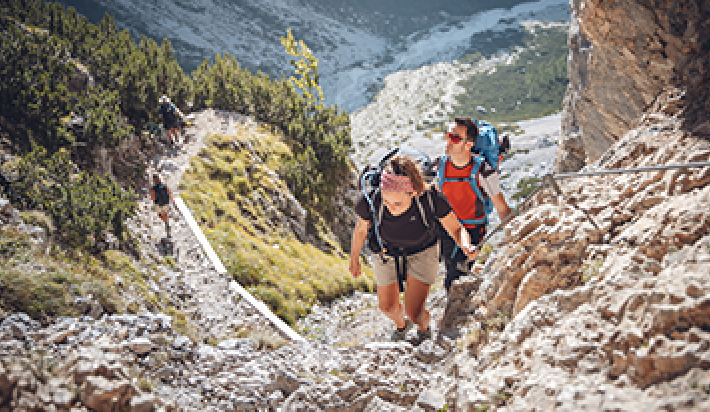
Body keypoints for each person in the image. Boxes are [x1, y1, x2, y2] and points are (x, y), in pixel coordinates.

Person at [349, 154, 478, 342]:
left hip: (423, 250)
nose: (391, 208)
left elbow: (456, 229)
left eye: (398, 203)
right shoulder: (370, 201)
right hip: (386, 251)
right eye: (387, 202)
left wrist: (465, 245)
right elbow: (361, 229)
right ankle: (402, 325)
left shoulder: (432, 199)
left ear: (414, 193)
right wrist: (354, 258)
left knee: (415, 312)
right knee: (387, 307)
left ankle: (423, 329)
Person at [437, 117, 513, 293]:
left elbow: (502, 208)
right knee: (450, 272)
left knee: (453, 280)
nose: (448, 141)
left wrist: (516, 236)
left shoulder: (484, 171)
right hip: (445, 229)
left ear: (469, 144)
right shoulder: (438, 166)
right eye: (448, 135)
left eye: (455, 138)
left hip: (473, 232)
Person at [149, 173, 173, 238]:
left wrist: (148, 197)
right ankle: (167, 223)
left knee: (159, 214)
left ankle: (165, 222)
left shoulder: (153, 188)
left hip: (158, 203)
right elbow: (169, 192)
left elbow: (153, 198)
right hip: (166, 202)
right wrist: (171, 199)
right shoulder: (164, 184)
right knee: (165, 213)